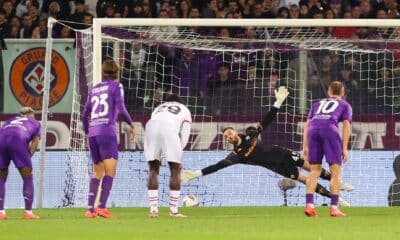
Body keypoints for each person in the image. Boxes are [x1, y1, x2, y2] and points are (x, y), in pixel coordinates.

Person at [182, 87, 352, 205]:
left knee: (313, 169)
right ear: (227, 140)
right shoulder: (236, 156)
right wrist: (195, 174)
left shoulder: (250, 133)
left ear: (235, 132)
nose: (230, 135)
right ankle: (335, 198)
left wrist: (277, 103)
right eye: (227, 136)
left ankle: (338, 182)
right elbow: (216, 167)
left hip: (283, 154)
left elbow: (267, 121)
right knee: (307, 180)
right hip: (277, 167)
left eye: (231, 132)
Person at [81, 59, 135, 219]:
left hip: (93, 132)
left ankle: (90, 210)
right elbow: (121, 107)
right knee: (110, 171)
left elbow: (85, 115)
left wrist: (87, 130)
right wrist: (130, 123)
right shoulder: (116, 86)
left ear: (103, 72)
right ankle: (102, 207)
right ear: (117, 72)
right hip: (107, 131)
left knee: (97, 172)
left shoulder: (94, 89)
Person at [303, 81, 352, 217]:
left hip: (313, 131)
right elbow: (347, 126)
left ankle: (309, 205)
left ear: (329, 91)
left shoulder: (317, 104)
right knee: (335, 171)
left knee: (314, 170)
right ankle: (334, 207)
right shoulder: (345, 104)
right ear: (342, 93)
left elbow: (307, 125)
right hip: (330, 130)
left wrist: (304, 146)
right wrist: (345, 148)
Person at [144, 94, 192, 218]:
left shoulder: (158, 108)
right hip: (169, 128)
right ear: (179, 102)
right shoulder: (184, 109)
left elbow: (154, 126)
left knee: (153, 169)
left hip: (150, 126)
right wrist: (179, 153)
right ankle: (173, 211)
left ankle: (153, 210)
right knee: (175, 170)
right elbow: (185, 133)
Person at [0, 107, 41, 220]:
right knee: (27, 176)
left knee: (1, 176)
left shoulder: (9, 121)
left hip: (1, 141)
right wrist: (28, 157)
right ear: (32, 115)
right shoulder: (35, 122)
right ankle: (28, 213)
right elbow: (35, 142)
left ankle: (1, 212)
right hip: (18, 141)